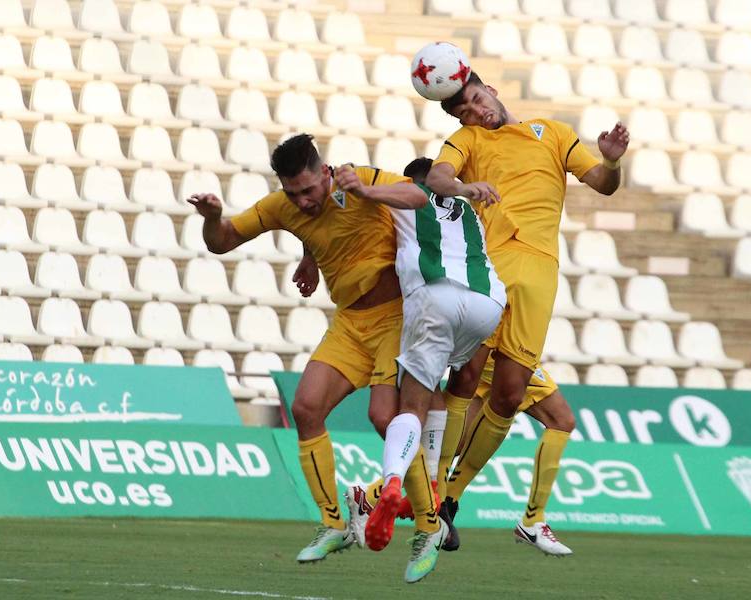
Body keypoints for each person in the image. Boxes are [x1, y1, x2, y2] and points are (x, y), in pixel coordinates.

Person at [187, 134, 441, 578]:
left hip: (395, 318)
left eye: (309, 190)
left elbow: (418, 195)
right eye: (293, 194)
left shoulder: (355, 180)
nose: (303, 202)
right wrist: (213, 218)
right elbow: (221, 242)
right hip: (350, 324)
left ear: (325, 174)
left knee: (385, 419)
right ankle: (333, 523)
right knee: (305, 408)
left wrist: (366, 191)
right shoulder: (282, 207)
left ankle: (429, 526)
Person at [424, 71, 629, 555]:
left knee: (509, 395)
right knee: (467, 377)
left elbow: (602, 184)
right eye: (464, 111)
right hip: (491, 268)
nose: (476, 112)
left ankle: (449, 500)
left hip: (540, 276)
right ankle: (431, 495)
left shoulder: (553, 133)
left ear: (490, 87)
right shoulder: (468, 139)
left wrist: (611, 161)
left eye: (476, 100)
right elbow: (436, 177)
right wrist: (465, 187)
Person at [335, 158, 504, 570]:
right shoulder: (470, 210)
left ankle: (389, 483)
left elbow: (391, 197)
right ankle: (425, 487)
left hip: (434, 299)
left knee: (411, 406)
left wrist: (363, 190)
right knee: (437, 395)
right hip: (488, 305)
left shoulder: (410, 195)